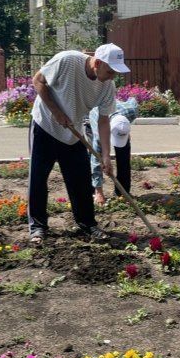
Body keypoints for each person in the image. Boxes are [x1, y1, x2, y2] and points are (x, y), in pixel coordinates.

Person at [28, 43, 130, 243]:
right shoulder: (67, 60)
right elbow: (38, 80)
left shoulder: (107, 86)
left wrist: (106, 156)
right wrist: (56, 111)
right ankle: (38, 228)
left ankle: (87, 223)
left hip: (73, 133)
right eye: (110, 71)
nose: (112, 76)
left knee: (81, 181)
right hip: (45, 125)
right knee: (38, 178)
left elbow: (103, 120)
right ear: (97, 63)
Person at [86, 97, 138, 205]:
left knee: (124, 155)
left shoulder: (131, 111)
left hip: (117, 116)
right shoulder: (99, 132)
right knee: (94, 156)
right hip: (93, 117)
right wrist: (99, 192)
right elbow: (97, 160)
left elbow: (133, 99)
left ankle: (123, 192)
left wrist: (126, 131)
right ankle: (94, 191)